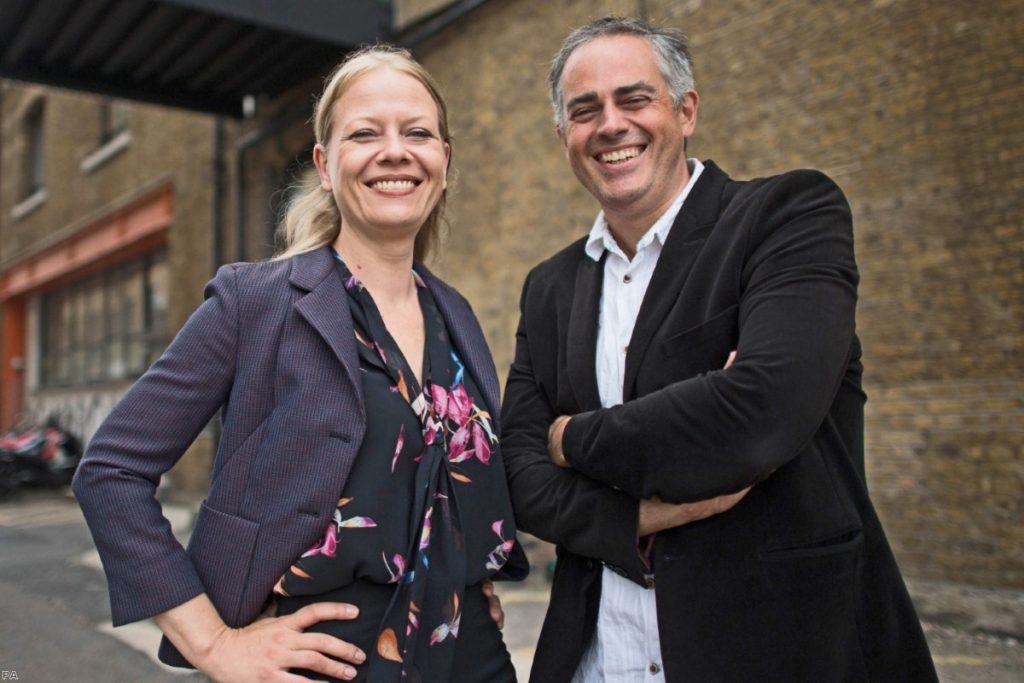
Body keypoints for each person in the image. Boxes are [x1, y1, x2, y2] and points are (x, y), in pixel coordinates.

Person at [501, 16, 938, 682]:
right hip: (597, 660)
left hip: (781, 649)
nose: (611, 124)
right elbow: (523, 479)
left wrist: (572, 441)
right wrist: (639, 513)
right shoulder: (550, 288)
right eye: (585, 111)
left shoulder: (786, 217)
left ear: (686, 110)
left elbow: (760, 411)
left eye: (634, 99)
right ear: (565, 136)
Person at [73, 45, 527, 683]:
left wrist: (465, 566)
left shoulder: (455, 313)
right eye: (365, 133)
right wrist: (211, 645)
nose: (395, 151)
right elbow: (110, 471)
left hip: (470, 653)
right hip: (322, 660)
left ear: (444, 163)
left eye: (418, 133)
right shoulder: (254, 302)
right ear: (325, 162)